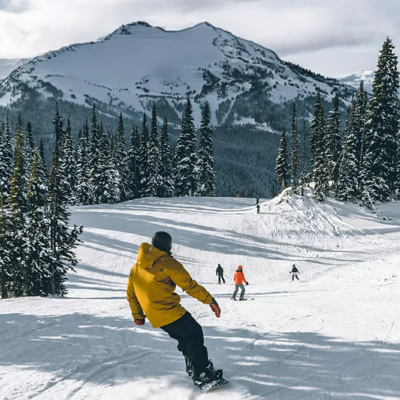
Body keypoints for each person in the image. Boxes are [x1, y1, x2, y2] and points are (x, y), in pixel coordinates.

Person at [126, 231, 223, 388]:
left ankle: (193, 367)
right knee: (194, 332)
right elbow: (189, 285)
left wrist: (138, 316)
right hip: (168, 310)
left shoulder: (136, 266)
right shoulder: (167, 262)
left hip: (155, 316)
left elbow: (131, 294)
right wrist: (209, 300)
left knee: (184, 337)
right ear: (168, 246)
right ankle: (202, 373)